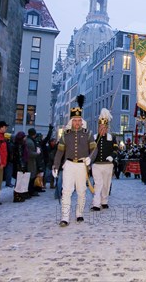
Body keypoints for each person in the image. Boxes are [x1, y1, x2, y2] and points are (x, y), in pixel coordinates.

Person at [52, 96, 96, 227]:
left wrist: (90, 158)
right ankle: (65, 217)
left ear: (82, 121)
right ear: (71, 121)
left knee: (82, 191)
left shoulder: (88, 133)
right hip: (69, 165)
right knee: (66, 191)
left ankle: (79, 214)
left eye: (79, 120)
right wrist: (56, 165)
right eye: (74, 120)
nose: (77, 123)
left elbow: (95, 149)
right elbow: (59, 152)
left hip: (82, 166)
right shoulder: (65, 135)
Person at [91, 108, 118, 211]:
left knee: (106, 184)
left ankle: (104, 201)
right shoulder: (93, 137)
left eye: (104, 127)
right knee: (98, 184)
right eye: (101, 127)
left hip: (108, 165)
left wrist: (112, 156)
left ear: (107, 128)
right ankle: (96, 204)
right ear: (98, 127)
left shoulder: (112, 137)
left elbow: (116, 150)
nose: (102, 129)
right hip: (96, 164)